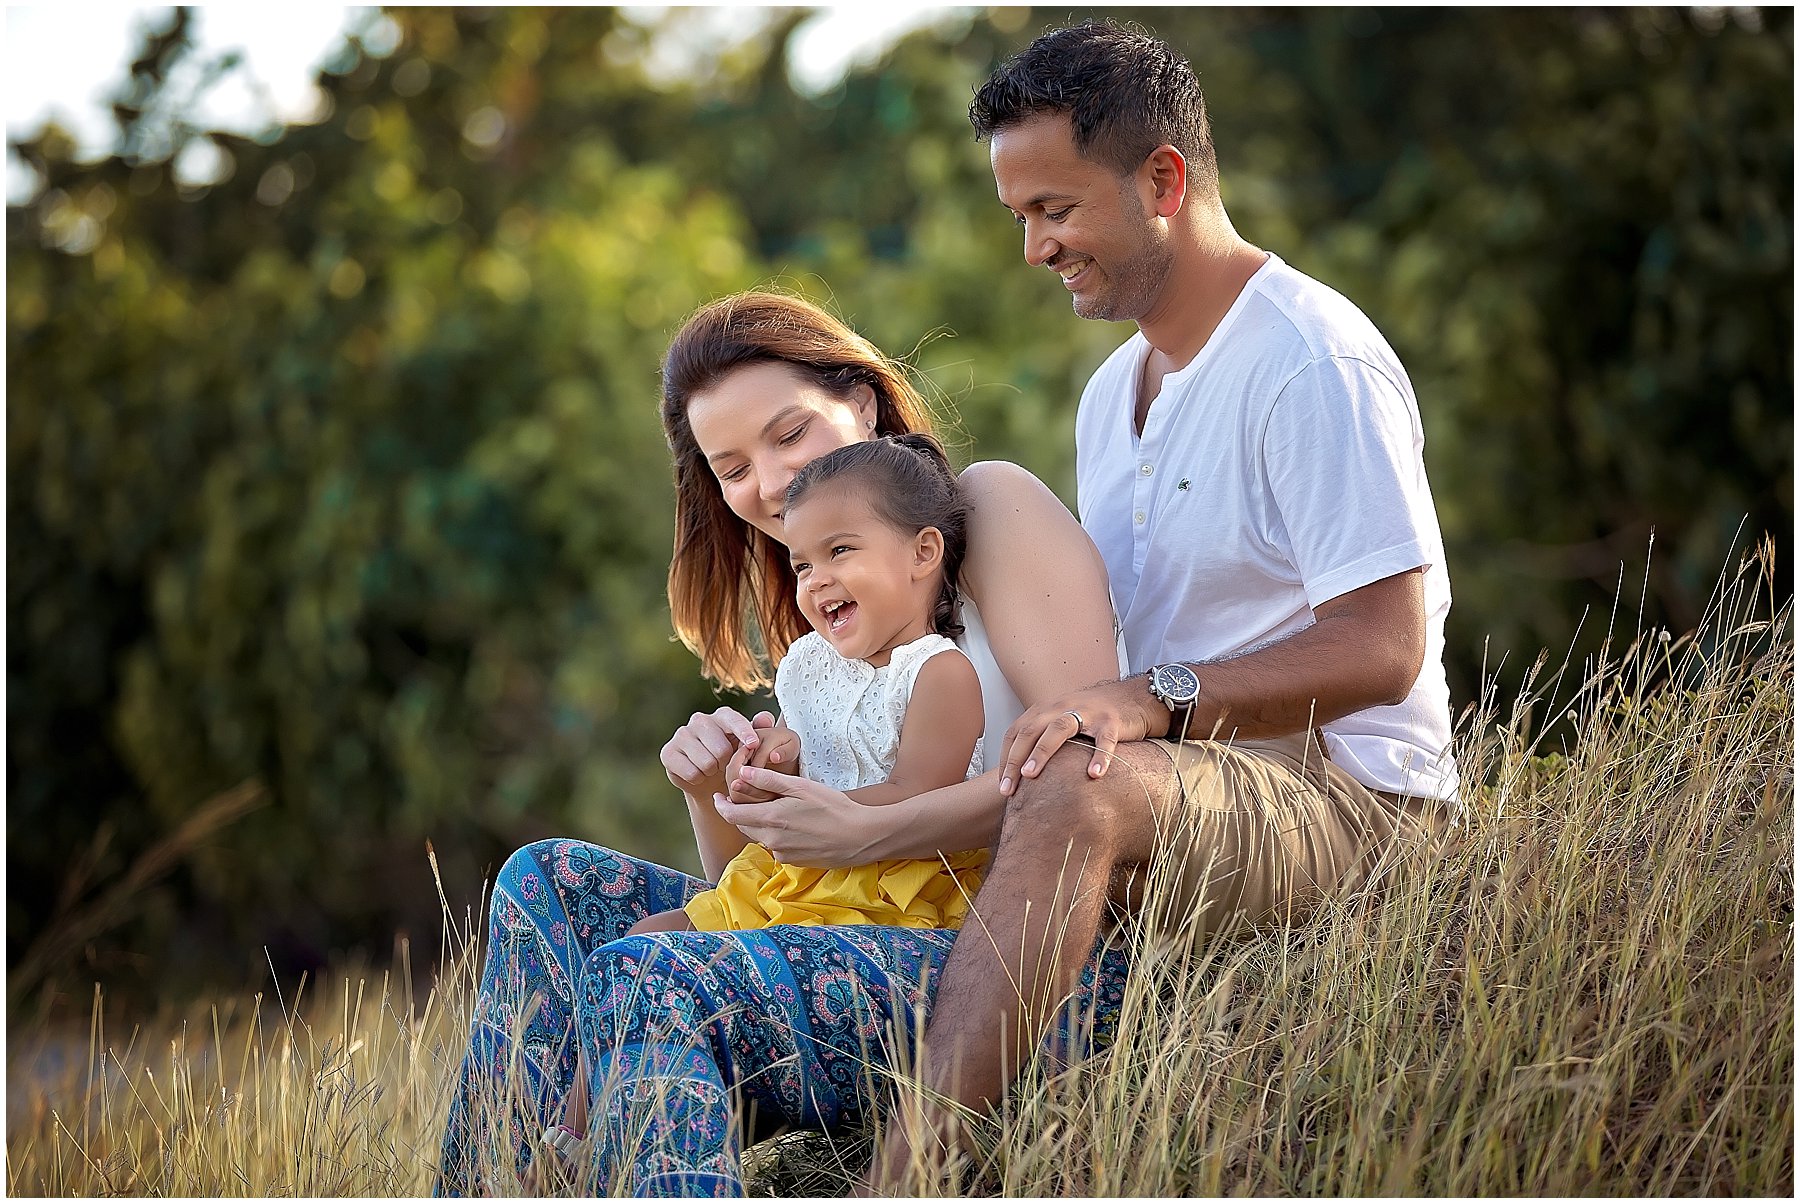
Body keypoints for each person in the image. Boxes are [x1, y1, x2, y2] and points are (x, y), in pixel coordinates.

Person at [862, 20, 1464, 1186]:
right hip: (1198, 795)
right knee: (1047, 779)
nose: (1034, 247)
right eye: (1019, 216)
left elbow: (1388, 647)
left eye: (1054, 209)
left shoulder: (1310, 361)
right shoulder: (1109, 395)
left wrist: (1147, 699)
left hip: (1360, 812)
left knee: (1084, 784)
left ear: (1163, 180)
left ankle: (913, 1176)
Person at [435, 292, 1130, 1197]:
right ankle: (500, 1186)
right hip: (853, 928)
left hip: (1013, 958)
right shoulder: (826, 626)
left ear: (867, 404)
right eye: (730, 468)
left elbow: (1092, 772)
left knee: (650, 972)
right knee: (548, 882)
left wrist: (863, 827)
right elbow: (771, 884)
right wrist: (719, 793)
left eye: (788, 434)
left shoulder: (987, 508)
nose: (763, 484)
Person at [630, 433, 989, 936]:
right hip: (801, 874)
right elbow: (797, 764)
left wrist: (800, 808)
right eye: (802, 565)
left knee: (665, 957)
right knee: (647, 937)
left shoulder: (937, 671)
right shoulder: (806, 664)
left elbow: (919, 798)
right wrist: (769, 765)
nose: (815, 579)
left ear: (923, 553)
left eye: (840, 550)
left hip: (888, 893)